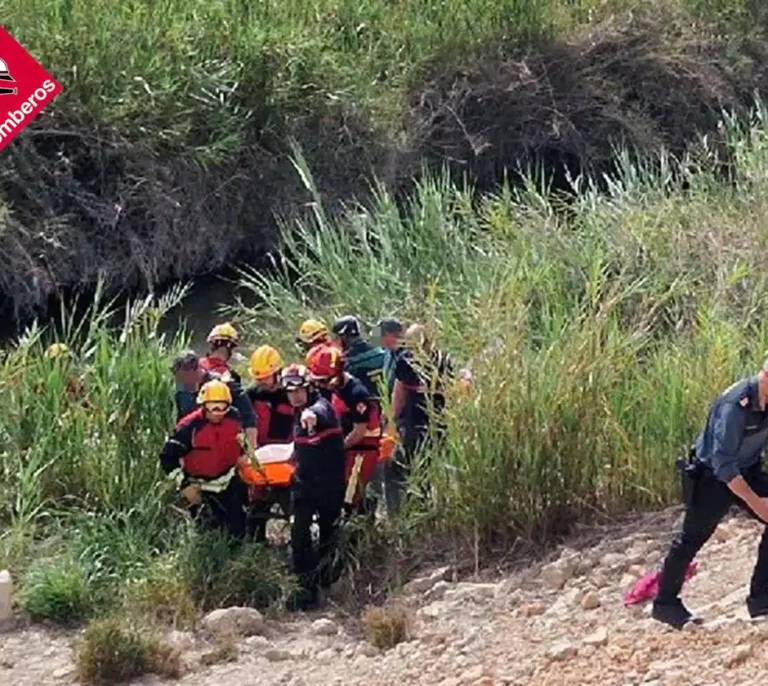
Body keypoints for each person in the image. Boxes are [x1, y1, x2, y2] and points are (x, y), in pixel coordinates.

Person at [652, 358, 768, 629]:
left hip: (748, 469)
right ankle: (665, 603)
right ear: (764, 376)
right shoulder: (735, 405)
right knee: (691, 539)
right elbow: (723, 463)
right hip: (713, 477)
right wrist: (758, 503)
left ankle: (762, 599)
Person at [280, 363, 346, 611]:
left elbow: (320, 413)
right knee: (299, 532)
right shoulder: (298, 412)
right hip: (305, 483)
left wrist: (312, 415)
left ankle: (328, 582)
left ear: (309, 388)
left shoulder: (321, 407)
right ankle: (304, 589)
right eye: (290, 392)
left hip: (328, 484)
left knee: (329, 533)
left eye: (300, 390)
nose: (295, 396)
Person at [158, 380, 250, 541]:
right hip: (200, 489)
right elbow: (167, 457)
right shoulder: (189, 427)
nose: (218, 413)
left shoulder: (234, 417)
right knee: (206, 536)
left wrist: (244, 454)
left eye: (223, 407)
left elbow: (240, 439)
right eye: (213, 408)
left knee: (238, 533)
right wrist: (185, 486)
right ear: (203, 405)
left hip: (228, 483)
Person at [306, 344, 382, 515]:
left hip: (362, 449)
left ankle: (356, 530)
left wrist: (336, 448)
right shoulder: (335, 388)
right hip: (347, 446)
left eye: (325, 380)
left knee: (349, 498)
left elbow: (359, 431)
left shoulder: (357, 393)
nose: (322, 385)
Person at [244, 345, 294, 543]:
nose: (261, 382)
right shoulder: (252, 395)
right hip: (262, 458)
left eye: (265, 377)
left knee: (294, 504)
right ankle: (255, 544)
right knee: (256, 506)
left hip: (288, 458)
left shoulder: (292, 392)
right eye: (258, 378)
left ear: (277, 372)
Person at [171, 350, 258, 448]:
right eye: (180, 379)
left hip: (225, 443)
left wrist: (251, 451)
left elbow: (249, 419)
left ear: (198, 370)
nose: (184, 383)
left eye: (186, 378)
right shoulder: (183, 390)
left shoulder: (225, 385)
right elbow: (180, 420)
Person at [331, 315, 386, 400]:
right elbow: (377, 330)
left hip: (367, 405)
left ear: (344, 337)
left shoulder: (347, 362)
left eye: (337, 337)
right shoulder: (378, 347)